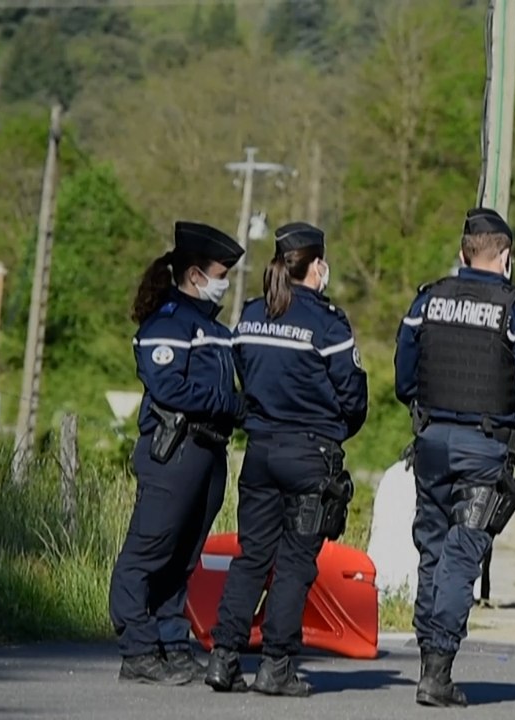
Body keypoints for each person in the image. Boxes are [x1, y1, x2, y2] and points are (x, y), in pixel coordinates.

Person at [394, 207, 515, 707]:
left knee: (432, 551)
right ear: (504, 255)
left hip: (431, 442)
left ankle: (428, 661)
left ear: (464, 252)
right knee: (462, 556)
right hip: (484, 447)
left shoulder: (427, 300)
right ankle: (437, 672)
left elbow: (404, 376)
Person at [203, 222, 368, 697]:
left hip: (259, 452)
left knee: (251, 557)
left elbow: (242, 375)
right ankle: (276, 666)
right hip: (309, 455)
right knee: (295, 563)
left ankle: (223, 658)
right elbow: (354, 396)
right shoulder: (328, 323)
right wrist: (335, 431)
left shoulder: (252, 316)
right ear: (316, 266)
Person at [109, 221, 246, 685]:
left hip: (208, 452)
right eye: (220, 272)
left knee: (183, 557)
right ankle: (137, 646)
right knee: (148, 552)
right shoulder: (167, 322)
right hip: (175, 450)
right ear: (193, 275)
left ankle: (171, 640)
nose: (224, 281)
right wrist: (230, 404)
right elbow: (169, 386)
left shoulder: (212, 327)